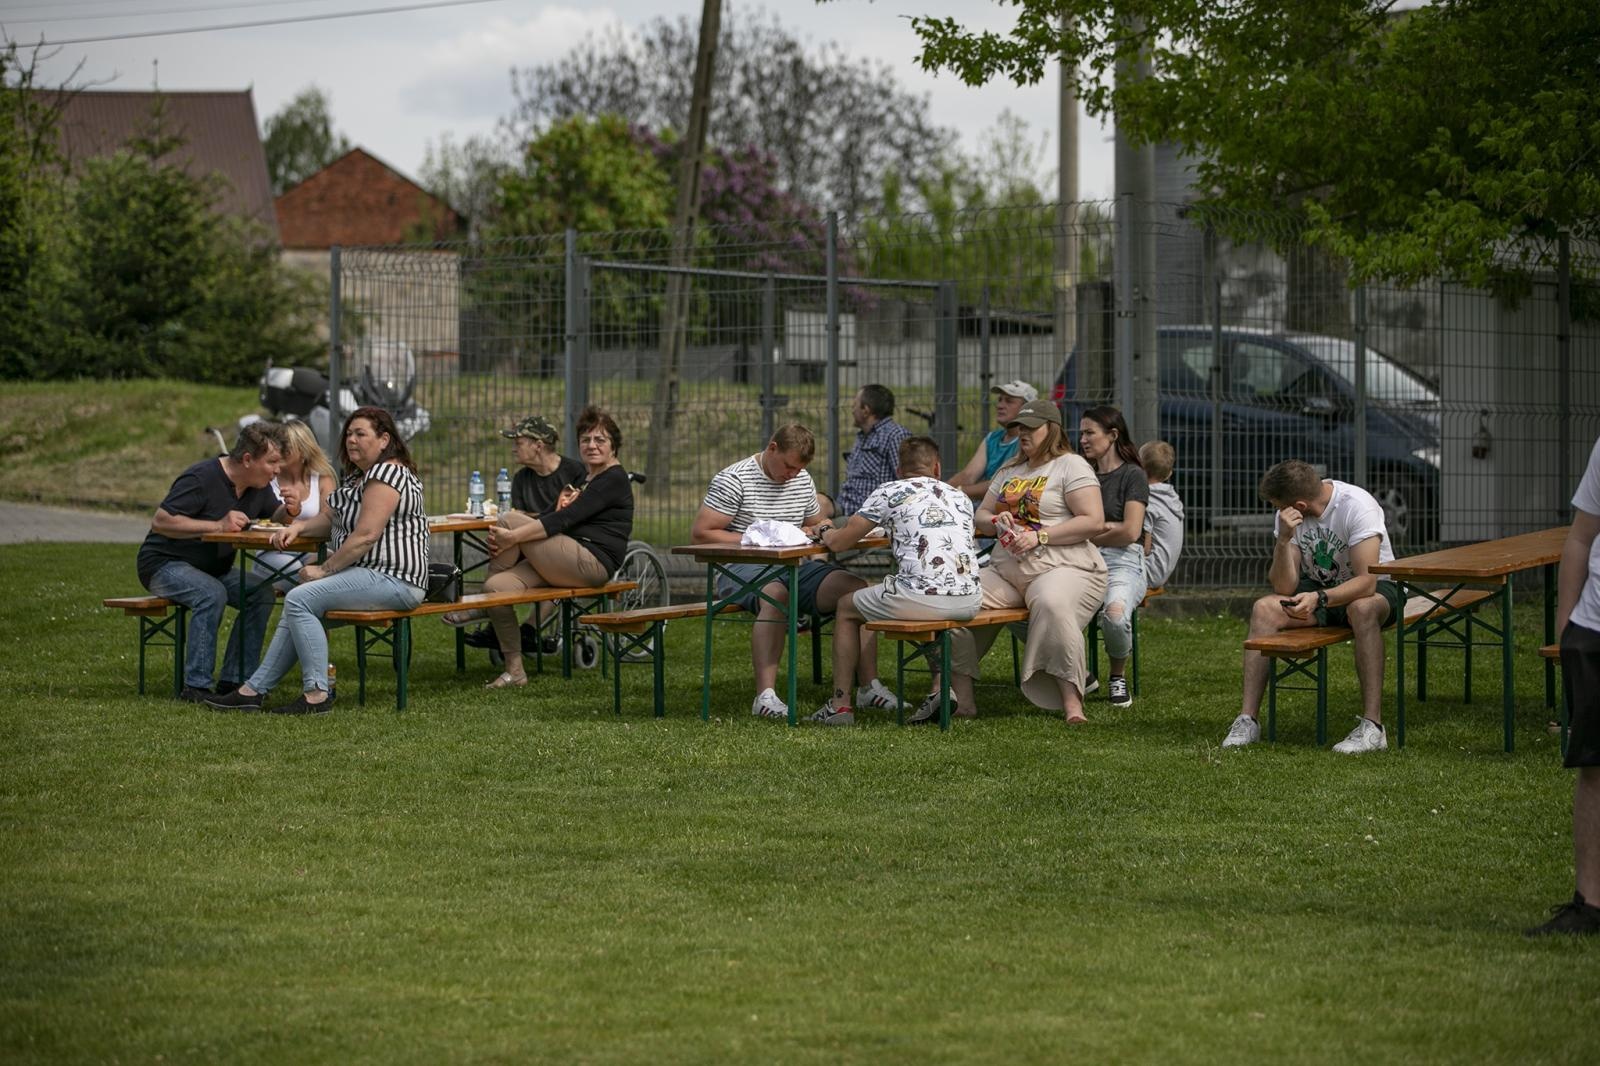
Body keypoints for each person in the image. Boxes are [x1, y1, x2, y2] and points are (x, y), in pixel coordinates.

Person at [204, 407, 430, 715]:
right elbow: (332, 521)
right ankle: (251, 691)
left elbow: (366, 534)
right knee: (299, 608)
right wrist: (298, 526)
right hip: (368, 576)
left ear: (384, 439)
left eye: (360, 434)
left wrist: (324, 569)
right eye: (349, 433)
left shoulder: (388, 473)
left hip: (393, 579)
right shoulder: (359, 477)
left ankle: (316, 694)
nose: (351, 440)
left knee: (298, 600)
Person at [690, 423, 902, 720]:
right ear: (772, 448)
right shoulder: (734, 479)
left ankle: (869, 686)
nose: (791, 475)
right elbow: (701, 534)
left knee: (858, 589)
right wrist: (760, 537)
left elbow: (817, 520)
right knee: (777, 594)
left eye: (797, 469)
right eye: (788, 466)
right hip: (741, 568)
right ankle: (765, 696)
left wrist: (822, 529)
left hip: (795, 565)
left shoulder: (801, 478)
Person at [1221, 459, 1404, 753]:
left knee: (1361, 608)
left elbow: (1366, 582)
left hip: (1378, 589)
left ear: (1300, 505)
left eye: (1277, 505)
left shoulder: (1357, 506)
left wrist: (1319, 598)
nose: (1276, 511)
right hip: (1322, 590)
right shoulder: (1287, 518)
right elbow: (1283, 587)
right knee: (1263, 608)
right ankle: (1247, 720)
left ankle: (1373, 727)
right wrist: (1283, 540)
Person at [942, 398, 1107, 724]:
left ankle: (1072, 703)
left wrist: (1039, 535)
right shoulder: (1010, 470)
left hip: (1062, 565)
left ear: (1052, 429)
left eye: (1031, 428)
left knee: (1051, 602)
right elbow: (981, 515)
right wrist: (997, 521)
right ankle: (963, 702)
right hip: (1008, 570)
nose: (1023, 435)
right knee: (954, 600)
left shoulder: (1070, 466)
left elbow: (1093, 521)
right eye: (1020, 428)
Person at [457, 406, 634, 690]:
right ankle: (514, 670)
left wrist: (513, 537)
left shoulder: (612, 478)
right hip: (561, 558)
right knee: (496, 587)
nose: (592, 446)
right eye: (586, 440)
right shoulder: (586, 479)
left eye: (600, 440)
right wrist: (518, 532)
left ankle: (484, 607)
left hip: (592, 563)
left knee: (508, 519)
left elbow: (563, 520)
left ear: (614, 445)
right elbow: (552, 516)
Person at [811, 436, 982, 725]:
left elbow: (840, 543)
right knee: (933, 613)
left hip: (921, 597)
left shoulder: (890, 491)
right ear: (937, 468)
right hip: (969, 599)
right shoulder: (959, 497)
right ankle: (934, 692)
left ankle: (840, 705)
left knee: (847, 607)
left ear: (899, 469)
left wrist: (825, 529)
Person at [137, 421, 288, 702]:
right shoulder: (201, 477)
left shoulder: (257, 485)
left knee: (261, 593)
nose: (277, 470)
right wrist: (217, 525)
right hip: (164, 564)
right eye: (272, 462)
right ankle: (196, 686)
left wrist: (288, 511)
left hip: (213, 569)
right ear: (247, 460)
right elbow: (161, 522)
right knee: (211, 593)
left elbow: (273, 515)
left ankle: (235, 681)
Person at [1524, 436, 1600, 937]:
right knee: (1594, 768)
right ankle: (1590, 904)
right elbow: (1580, 536)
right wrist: (1566, 628)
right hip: (1594, 632)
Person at [462, 414, 584, 654]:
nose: (513, 449)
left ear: (538, 446)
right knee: (502, 545)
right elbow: (516, 515)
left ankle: (518, 625)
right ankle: (498, 619)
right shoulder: (520, 479)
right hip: (528, 544)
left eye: (518, 443)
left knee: (535, 561)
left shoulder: (575, 472)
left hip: (565, 547)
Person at [1078, 406, 1149, 708]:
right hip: (1079, 558)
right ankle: (1080, 671)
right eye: (1080, 432)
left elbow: (1131, 532)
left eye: (1089, 432)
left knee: (1116, 617)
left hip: (1123, 560)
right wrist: (1105, 527)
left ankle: (1117, 676)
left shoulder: (1133, 475)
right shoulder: (1081, 473)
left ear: (1113, 435)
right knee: (1029, 612)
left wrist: (1088, 532)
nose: (1082, 439)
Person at [252, 420, 337, 592]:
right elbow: (262, 519)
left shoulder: (322, 479)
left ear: (303, 449)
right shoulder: (267, 478)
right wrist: (289, 511)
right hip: (272, 552)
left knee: (337, 569)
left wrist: (300, 526)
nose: (279, 450)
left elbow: (330, 519)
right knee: (301, 576)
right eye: (277, 445)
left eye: (286, 445)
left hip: (312, 550)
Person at [825, 384, 912, 519]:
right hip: (844, 506)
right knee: (815, 506)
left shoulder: (896, 435)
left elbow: (908, 482)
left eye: (855, 405)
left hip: (868, 515)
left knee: (821, 527)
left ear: (865, 410)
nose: (852, 410)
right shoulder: (862, 436)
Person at [948, 381, 1037, 503]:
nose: (1000, 405)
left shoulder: (1029, 440)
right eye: (1000, 400)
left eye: (1009, 401)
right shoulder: (992, 438)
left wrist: (954, 491)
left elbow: (1000, 484)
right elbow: (968, 475)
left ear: (1026, 408)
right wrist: (939, 489)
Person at [1139, 440, 1185, 590]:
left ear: (1139, 467)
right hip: (1161, 571)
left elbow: (1144, 548)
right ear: (1169, 473)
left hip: (1148, 572)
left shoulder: (1147, 501)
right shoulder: (1170, 498)